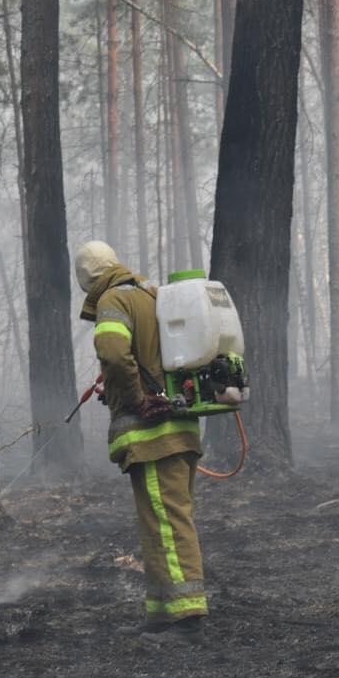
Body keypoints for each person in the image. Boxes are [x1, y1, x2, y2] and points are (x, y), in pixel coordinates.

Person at [75, 240, 208, 646]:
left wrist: (132, 398)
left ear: (87, 280)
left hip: (154, 436)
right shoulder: (152, 295)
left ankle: (187, 620)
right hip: (180, 429)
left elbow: (115, 355)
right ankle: (163, 612)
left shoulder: (114, 300)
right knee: (161, 522)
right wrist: (122, 391)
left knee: (168, 523)